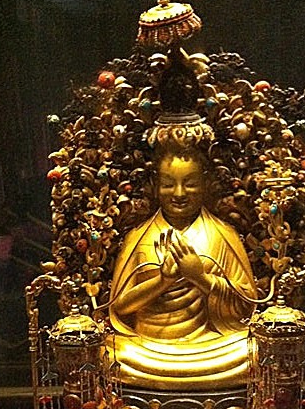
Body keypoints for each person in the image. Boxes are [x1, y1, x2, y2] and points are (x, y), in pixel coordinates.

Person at [109, 144, 257, 392]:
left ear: (205, 184)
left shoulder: (223, 235)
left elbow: (246, 303)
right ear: (156, 187)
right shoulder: (138, 237)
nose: (179, 193)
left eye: (190, 183)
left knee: (252, 352)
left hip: (212, 346)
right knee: (112, 352)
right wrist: (162, 281)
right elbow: (120, 307)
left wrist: (200, 278)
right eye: (168, 184)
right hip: (147, 347)